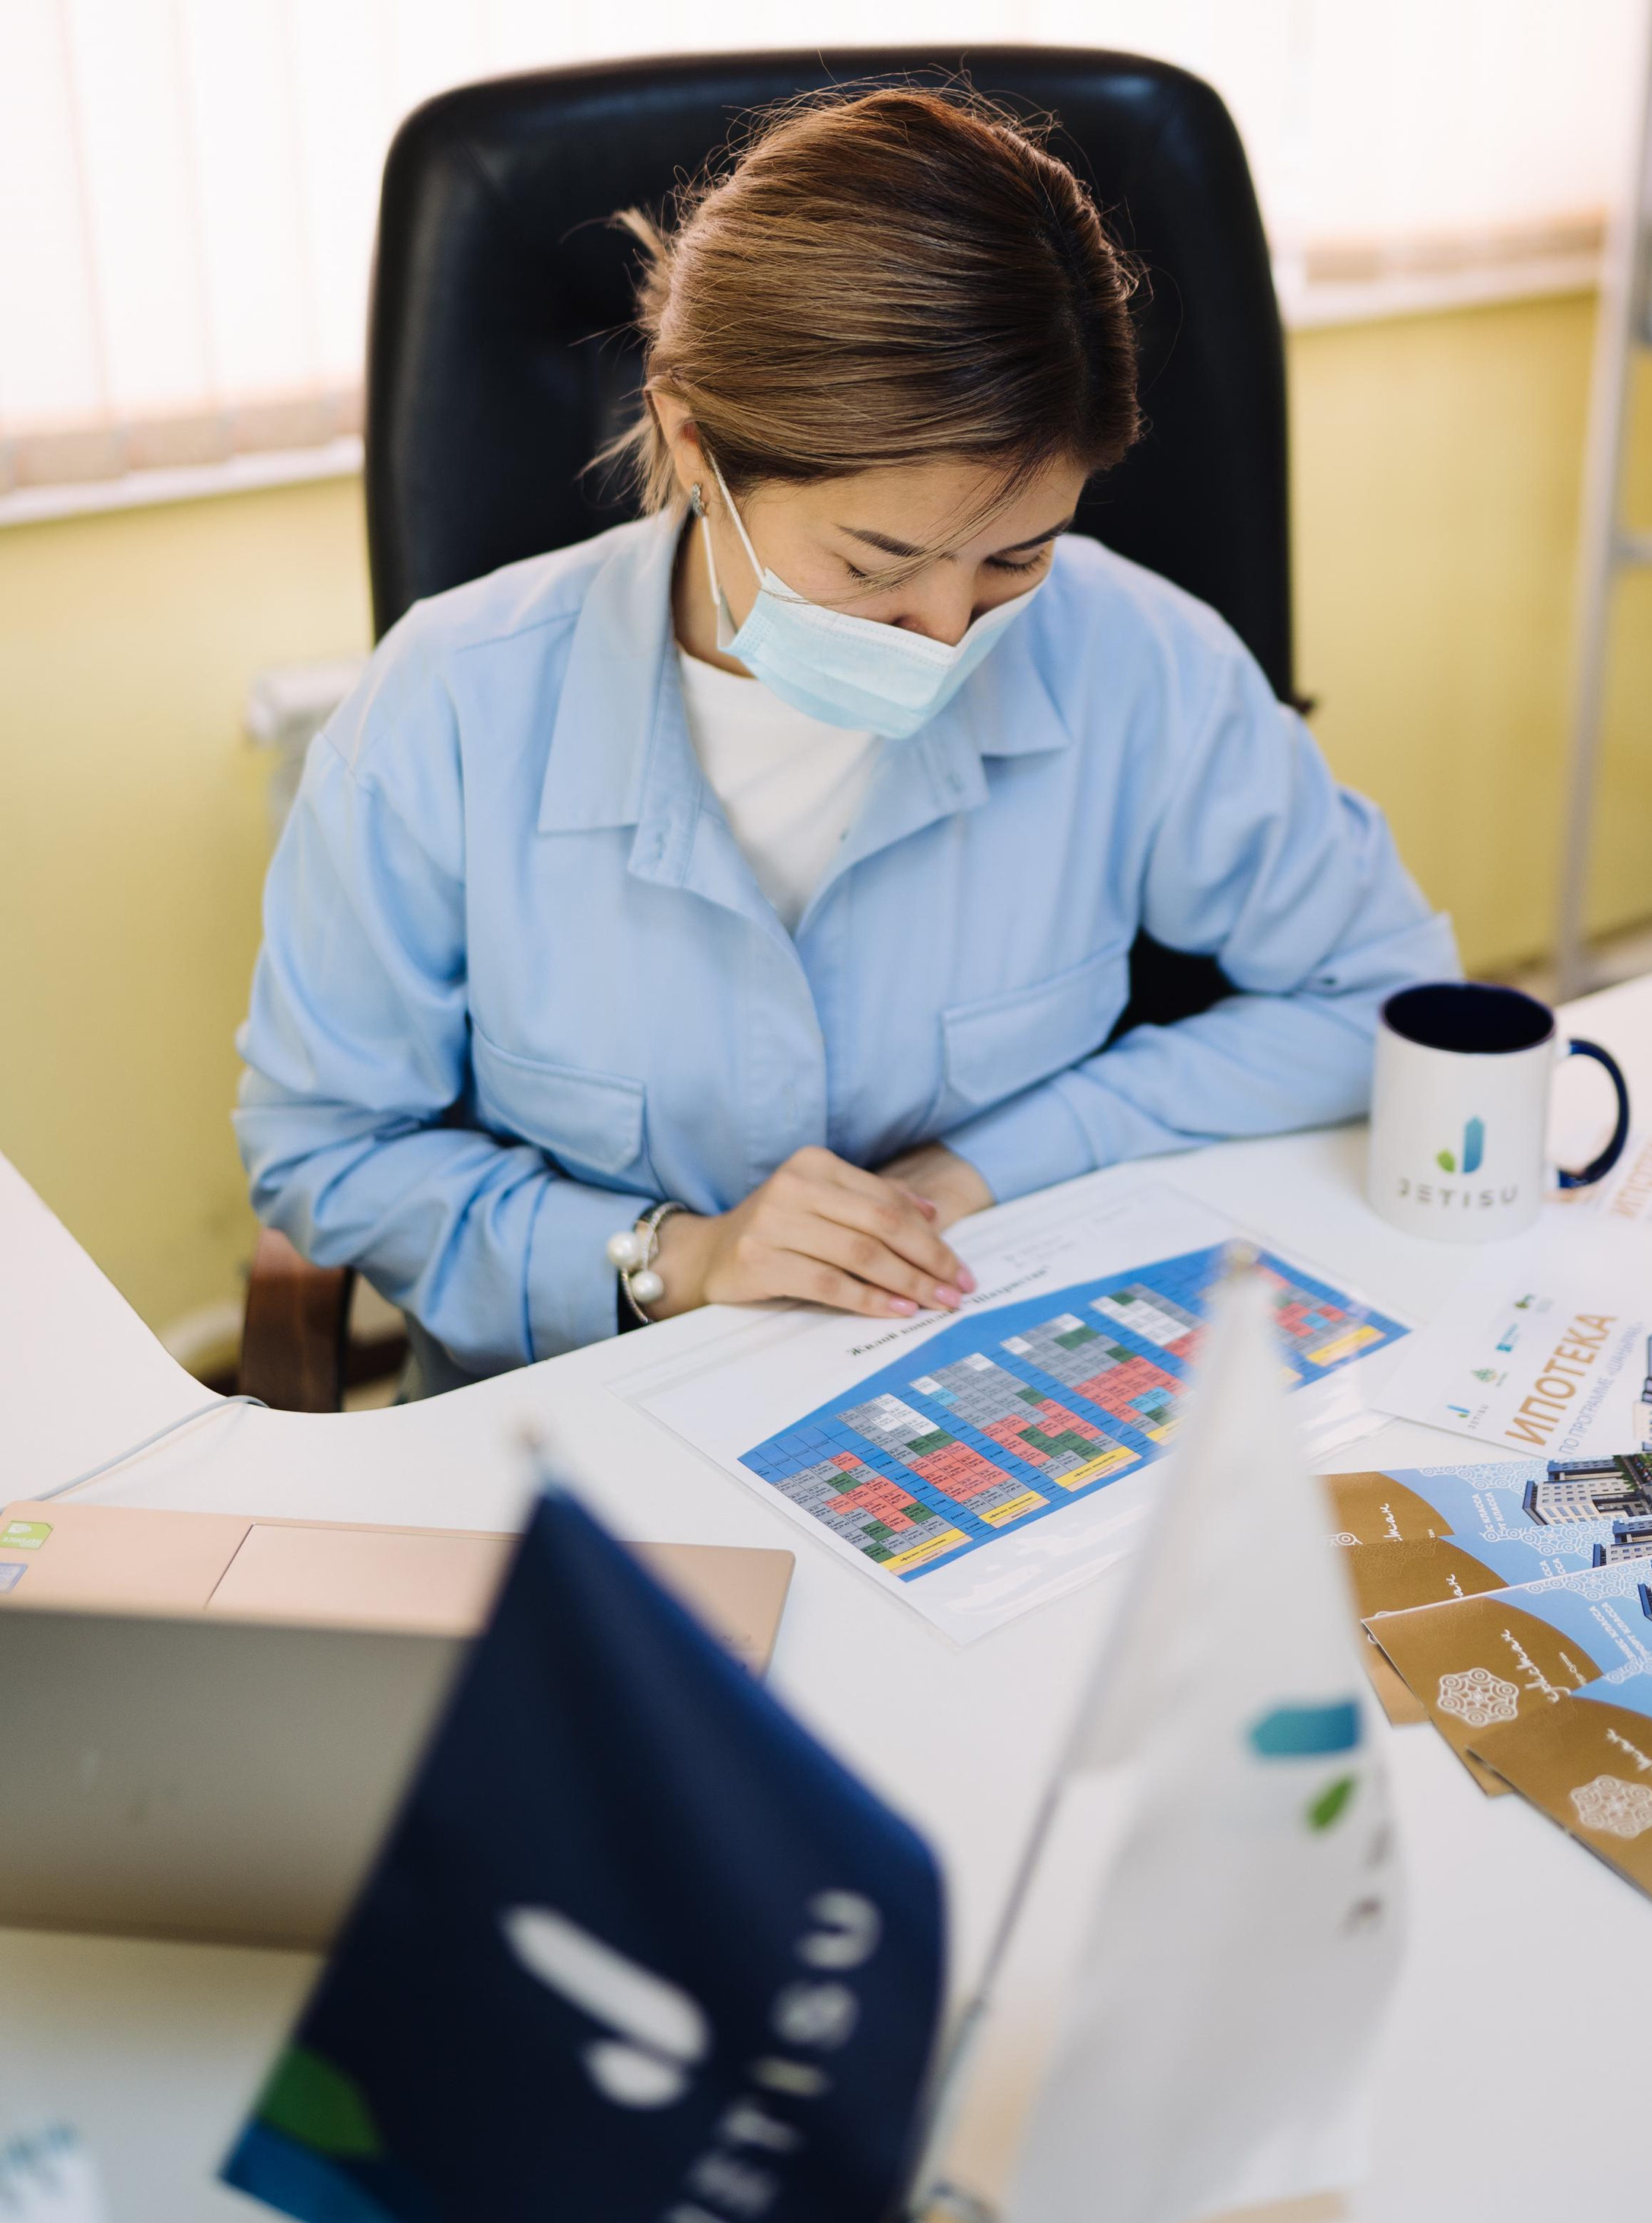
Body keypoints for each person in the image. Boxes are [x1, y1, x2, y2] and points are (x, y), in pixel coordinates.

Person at [236, 88, 1457, 1390]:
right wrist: (670, 1261)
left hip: (973, 1384)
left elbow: (1374, 994)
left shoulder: (1136, 658)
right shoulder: (449, 705)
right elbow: (325, 1148)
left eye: (1012, 560)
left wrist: (993, 1166)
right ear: (692, 441)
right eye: (879, 565)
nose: (940, 634)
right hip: (583, 1421)